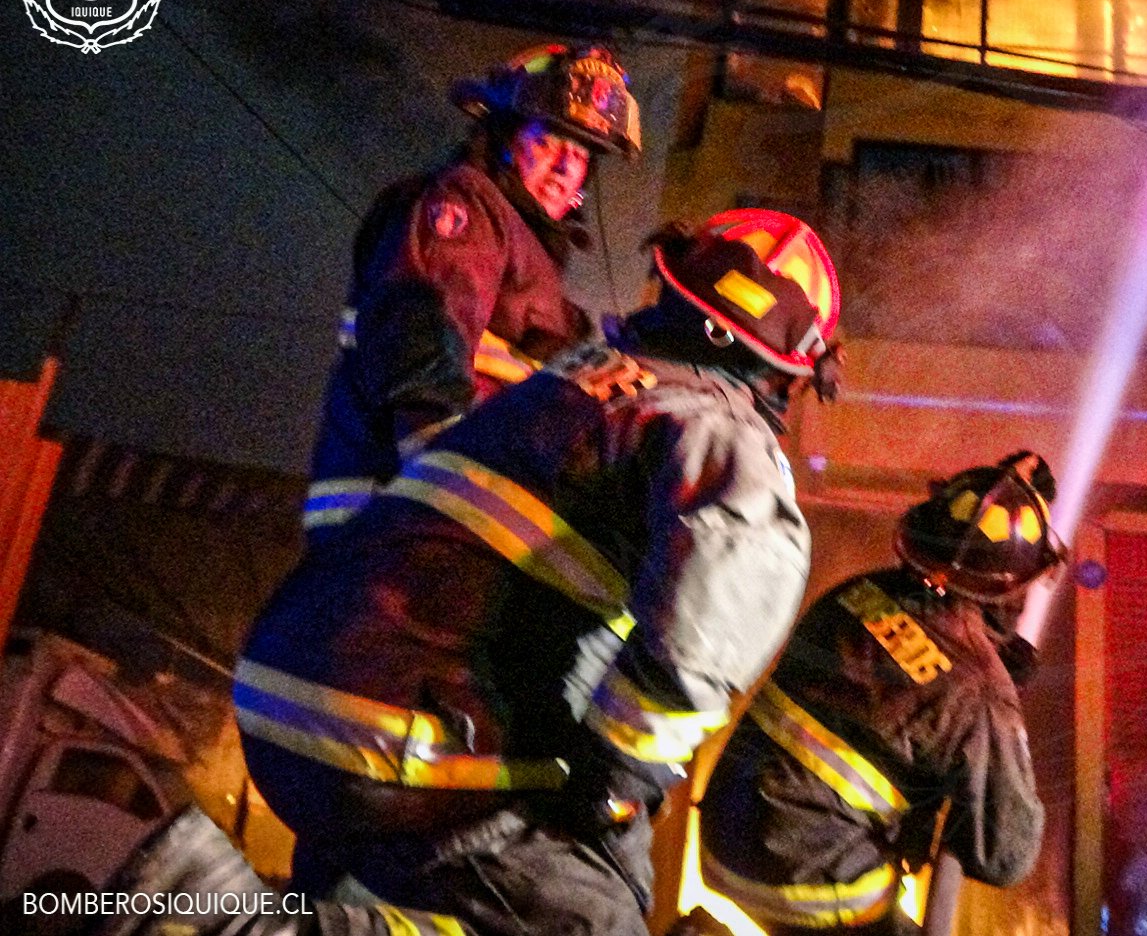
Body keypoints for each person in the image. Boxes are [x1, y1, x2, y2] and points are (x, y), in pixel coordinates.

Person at [99, 209, 842, 936]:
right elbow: (727, 592)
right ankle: (201, 919)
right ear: (785, 368)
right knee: (587, 916)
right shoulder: (716, 423)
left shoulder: (570, 384)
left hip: (301, 702)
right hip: (404, 735)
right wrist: (623, 772)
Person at [691, 453, 1057, 936]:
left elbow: (901, 679)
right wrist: (994, 705)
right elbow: (1005, 856)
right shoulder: (980, 691)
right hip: (809, 879)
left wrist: (984, 665)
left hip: (723, 840)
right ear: (1014, 587)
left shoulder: (857, 592)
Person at [302, 43, 642, 543]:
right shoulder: (465, 203)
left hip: (419, 518)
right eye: (549, 140)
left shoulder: (526, 254)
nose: (565, 168)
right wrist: (444, 486)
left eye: (582, 154)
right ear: (503, 135)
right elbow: (423, 339)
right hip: (393, 515)